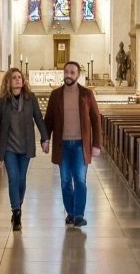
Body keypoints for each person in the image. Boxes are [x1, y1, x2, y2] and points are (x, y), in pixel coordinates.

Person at [0, 68, 49, 231]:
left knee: (21, 180)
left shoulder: (31, 98)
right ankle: (16, 212)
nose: (17, 80)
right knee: (13, 179)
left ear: (23, 81)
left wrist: (45, 138)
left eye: (19, 77)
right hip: (9, 147)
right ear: (8, 81)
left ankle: (18, 205)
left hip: (25, 145)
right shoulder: (3, 100)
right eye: (14, 78)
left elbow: (39, 119)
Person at [43, 61, 103, 227]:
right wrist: (45, 139)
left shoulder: (87, 94)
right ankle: (70, 212)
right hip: (62, 144)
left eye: (72, 72)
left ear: (78, 75)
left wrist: (96, 144)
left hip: (80, 144)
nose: (68, 75)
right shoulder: (55, 95)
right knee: (65, 181)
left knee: (80, 180)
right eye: (66, 72)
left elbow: (96, 120)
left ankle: (79, 215)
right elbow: (48, 119)